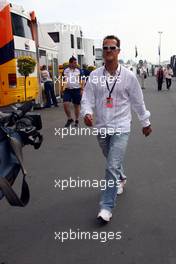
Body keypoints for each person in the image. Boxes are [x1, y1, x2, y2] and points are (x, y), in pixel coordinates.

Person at [81, 35, 152, 223]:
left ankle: (106, 207)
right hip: (102, 127)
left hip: (121, 126)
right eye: (105, 48)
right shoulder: (94, 76)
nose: (108, 51)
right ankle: (121, 177)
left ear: (119, 51)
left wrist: (145, 122)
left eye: (112, 48)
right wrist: (87, 113)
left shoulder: (128, 77)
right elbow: (87, 98)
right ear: (102, 52)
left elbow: (138, 101)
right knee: (110, 158)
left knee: (111, 165)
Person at [63, 57, 82, 127]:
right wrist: (63, 87)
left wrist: (82, 89)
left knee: (76, 106)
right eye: (74, 63)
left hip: (77, 90)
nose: (76, 64)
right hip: (68, 90)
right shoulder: (66, 70)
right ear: (70, 63)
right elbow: (65, 79)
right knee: (65, 104)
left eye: (76, 62)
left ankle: (76, 120)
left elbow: (82, 80)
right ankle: (70, 118)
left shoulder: (79, 70)